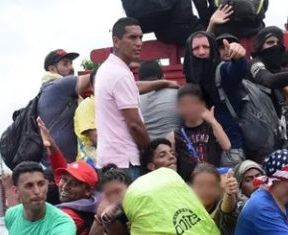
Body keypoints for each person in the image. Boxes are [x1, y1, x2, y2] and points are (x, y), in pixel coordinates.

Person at [95, 18, 150, 180]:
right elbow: (134, 124)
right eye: (132, 38)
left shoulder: (106, 69)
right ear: (116, 42)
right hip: (125, 162)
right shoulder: (120, 74)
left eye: (141, 38)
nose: (139, 43)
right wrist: (150, 151)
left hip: (109, 160)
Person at [183, 30, 247, 166]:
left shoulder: (222, 70)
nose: (201, 52)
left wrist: (239, 58)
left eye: (206, 47)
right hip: (202, 150)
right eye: (196, 48)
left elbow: (236, 71)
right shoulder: (192, 78)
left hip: (229, 150)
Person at [38, 118, 100, 235]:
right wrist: (51, 145)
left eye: (74, 184)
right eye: (65, 180)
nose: (65, 186)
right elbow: (59, 169)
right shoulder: (86, 203)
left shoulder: (69, 216)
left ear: (88, 191)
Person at [36, 49, 93, 163]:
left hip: (54, 161)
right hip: (63, 164)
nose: (71, 68)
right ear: (52, 69)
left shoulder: (47, 88)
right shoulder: (60, 85)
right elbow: (97, 75)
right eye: (65, 64)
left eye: (71, 63)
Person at [168, 83, 232, 179]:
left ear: (202, 104)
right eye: (184, 104)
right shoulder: (174, 136)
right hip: (189, 185)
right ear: (178, 108)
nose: (189, 108)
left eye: (193, 103)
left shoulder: (211, 127)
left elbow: (226, 145)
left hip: (212, 181)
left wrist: (212, 121)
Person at [137, 60, 182, 140]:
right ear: (163, 77)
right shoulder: (178, 94)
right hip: (175, 148)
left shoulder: (133, 100)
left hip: (148, 149)